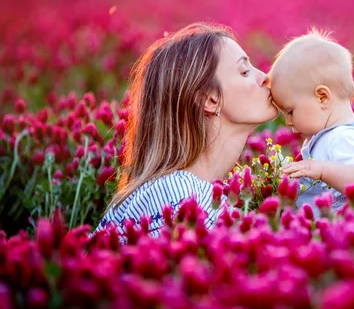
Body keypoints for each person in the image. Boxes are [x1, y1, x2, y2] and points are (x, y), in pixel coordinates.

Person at [93, 22, 278, 242]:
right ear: (209, 99)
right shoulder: (178, 197)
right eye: (245, 71)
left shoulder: (198, 193)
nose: (265, 77)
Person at [269, 29, 354, 216]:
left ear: (323, 97)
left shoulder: (345, 136)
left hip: (346, 231)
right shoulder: (327, 136)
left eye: (291, 111)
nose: (288, 122)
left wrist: (322, 169)